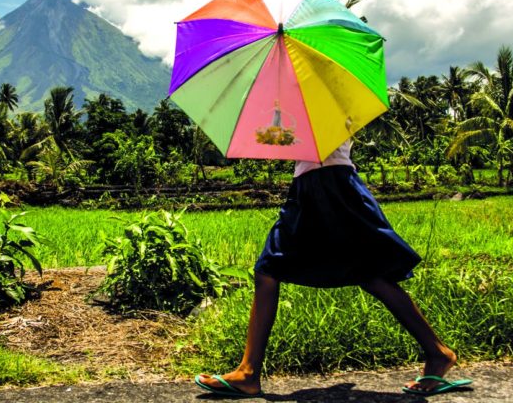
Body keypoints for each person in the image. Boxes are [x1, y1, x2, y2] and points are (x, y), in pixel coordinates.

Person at [194, 140, 471, 397]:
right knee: (270, 269)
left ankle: (438, 353)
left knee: (368, 274)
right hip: (308, 185)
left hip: (334, 185)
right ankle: (248, 372)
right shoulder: (295, 100)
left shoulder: (329, 92)